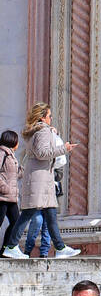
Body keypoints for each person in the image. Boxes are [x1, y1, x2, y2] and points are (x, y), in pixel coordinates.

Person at [2, 103, 79, 259]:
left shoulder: (39, 131)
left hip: (42, 178)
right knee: (29, 213)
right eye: (49, 116)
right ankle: (11, 246)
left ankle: (60, 247)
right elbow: (42, 153)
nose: (51, 119)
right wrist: (65, 148)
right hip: (40, 178)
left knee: (50, 214)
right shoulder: (43, 131)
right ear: (43, 117)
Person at [0, 129, 21, 255]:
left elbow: (12, 175)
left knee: (16, 222)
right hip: (2, 197)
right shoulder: (2, 153)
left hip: (10, 197)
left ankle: (5, 250)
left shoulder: (11, 155)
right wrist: (4, 188)